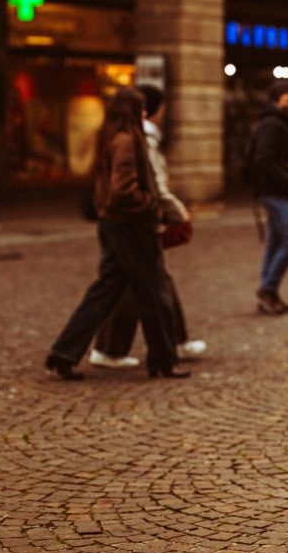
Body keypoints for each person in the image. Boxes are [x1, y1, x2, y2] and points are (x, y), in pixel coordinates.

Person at [44, 88, 188, 381]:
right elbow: (123, 190)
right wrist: (152, 206)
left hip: (112, 224)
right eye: (141, 109)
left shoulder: (109, 137)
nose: (145, 114)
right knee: (154, 292)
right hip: (132, 226)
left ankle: (63, 353)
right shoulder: (127, 141)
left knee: (105, 291)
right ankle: (163, 360)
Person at [89, 84, 206, 369]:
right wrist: (170, 212)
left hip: (122, 221)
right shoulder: (136, 139)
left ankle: (161, 344)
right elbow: (149, 186)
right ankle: (113, 349)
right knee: (140, 284)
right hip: (132, 223)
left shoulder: (116, 136)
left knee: (144, 282)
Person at [249, 79, 288, 315]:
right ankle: (267, 289)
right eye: (287, 92)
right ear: (276, 97)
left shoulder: (281, 121)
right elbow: (263, 160)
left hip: (276, 190)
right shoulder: (272, 124)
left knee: (276, 242)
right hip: (273, 191)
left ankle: (268, 294)